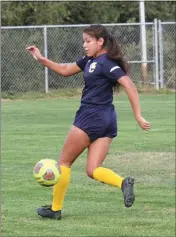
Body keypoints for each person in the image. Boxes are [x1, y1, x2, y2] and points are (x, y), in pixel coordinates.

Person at [26, 24, 150, 220]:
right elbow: (66, 70)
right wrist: (41, 59)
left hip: (90, 117)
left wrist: (138, 115)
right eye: (83, 41)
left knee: (64, 163)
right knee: (93, 169)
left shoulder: (106, 62)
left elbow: (129, 84)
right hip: (108, 120)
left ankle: (55, 209)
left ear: (100, 42)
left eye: (88, 41)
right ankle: (122, 183)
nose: (84, 45)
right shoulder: (90, 60)